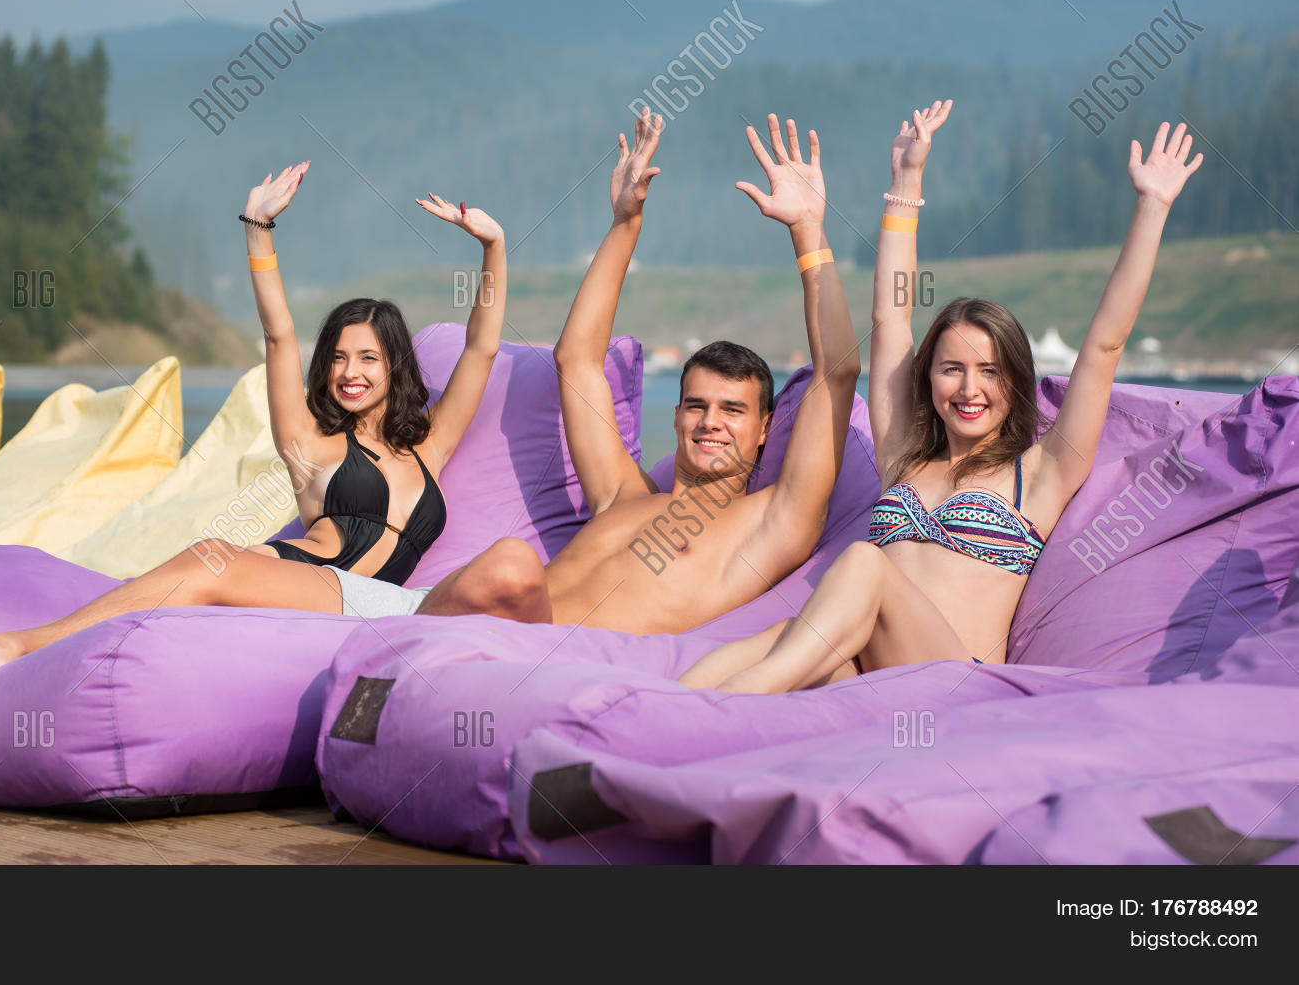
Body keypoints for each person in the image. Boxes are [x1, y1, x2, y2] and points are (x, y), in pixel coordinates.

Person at [0, 161, 510, 691]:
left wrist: (493, 247)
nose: (350, 372)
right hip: (313, 581)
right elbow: (279, 333)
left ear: (394, 363)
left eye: (369, 358)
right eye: (340, 358)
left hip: (385, 606)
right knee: (205, 562)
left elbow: (480, 350)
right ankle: (1, 654)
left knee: (203, 564)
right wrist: (259, 230)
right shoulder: (314, 444)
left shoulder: (429, 443)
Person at [679, 106, 1205, 693]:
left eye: (990, 371)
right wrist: (905, 183)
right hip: (875, 662)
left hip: (955, 685)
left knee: (860, 564)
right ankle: (643, 723)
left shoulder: (1042, 471)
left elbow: (1104, 345)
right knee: (760, 643)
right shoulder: (904, 455)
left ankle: (726, 707)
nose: (970, 388)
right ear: (929, 379)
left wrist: (1152, 208)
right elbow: (891, 318)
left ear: (1016, 382)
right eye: (952, 369)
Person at [324, 106, 861, 634]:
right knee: (246, 567)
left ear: (766, 427)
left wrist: (808, 230)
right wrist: (626, 223)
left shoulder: (772, 521)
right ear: (676, 416)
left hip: (530, 650)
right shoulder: (620, 497)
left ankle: (397, 642)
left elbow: (836, 372)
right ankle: (391, 633)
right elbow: (577, 360)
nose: (710, 422)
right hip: (448, 613)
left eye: (733, 409)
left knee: (511, 562)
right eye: (697, 405)